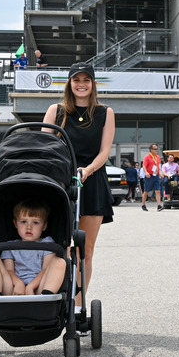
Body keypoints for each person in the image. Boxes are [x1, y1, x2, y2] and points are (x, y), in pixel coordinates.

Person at [42, 61, 115, 304]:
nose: (81, 84)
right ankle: (54, 297)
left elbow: (105, 152)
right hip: (61, 183)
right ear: (69, 83)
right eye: (76, 80)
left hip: (92, 183)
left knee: (85, 250)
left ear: (93, 83)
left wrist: (89, 170)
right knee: (59, 247)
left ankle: (78, 304)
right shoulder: (56, 110)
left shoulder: (106, 112)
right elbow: (45, 148)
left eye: (86, 80)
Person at [0, 200, 67, 296]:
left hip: (39, 288)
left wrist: (31, 286)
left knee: (59, 262)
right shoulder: (10, 246)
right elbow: (9, 270)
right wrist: (19, 284)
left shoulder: (47, 243)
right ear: (15, 223)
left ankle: (46, 299)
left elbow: (45, 269)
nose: (29, 227)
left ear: (44, 226)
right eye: (23, 222)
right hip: (14, 288)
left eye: (35, 222)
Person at [141, 144, 164, 211]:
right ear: (151, 150)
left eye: (157, 149)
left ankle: (159, 205)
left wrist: (160, 174)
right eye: (155, 149)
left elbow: (157, 166)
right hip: (149, 176)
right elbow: (144, 166)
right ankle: (143, 204)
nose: (157, 150)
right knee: (146, 191)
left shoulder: (158, 157)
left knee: (158, 190)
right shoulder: (147, 157)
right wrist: (146, 172)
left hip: (156, 176)